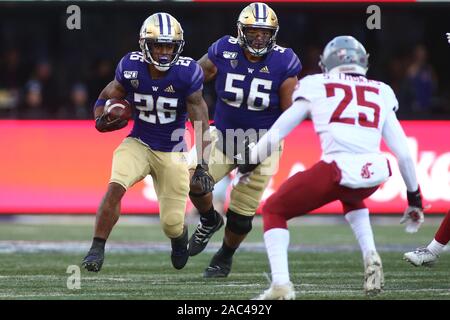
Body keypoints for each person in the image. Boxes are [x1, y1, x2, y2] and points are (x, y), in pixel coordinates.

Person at [238, 35, 424, 299]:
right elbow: (403, 154)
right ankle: (371, 254)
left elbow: (278, 131)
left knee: (273, 210)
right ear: (363, 62)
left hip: (338, 170)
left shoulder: (315, 84)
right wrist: (414, 197)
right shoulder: (381, 90)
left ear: (326, 63)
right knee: (350, 195)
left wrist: (247, 164)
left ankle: (281, 286)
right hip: (374, 175)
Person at [81, 13, 213, 272]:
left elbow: (201, 122)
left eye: (169, 46)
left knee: (171, 223)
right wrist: (100, 119)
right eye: (158, 46)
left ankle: (178, 237)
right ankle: (97, 246)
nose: (164, 52)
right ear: (145, 46)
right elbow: (107, 95)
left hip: (173, 151)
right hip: (138, 143)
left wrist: (203, 165)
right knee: (115, 187)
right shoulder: (131, 66)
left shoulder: (187, 73)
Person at [188, 2, 302, 278]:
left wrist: (261, 152)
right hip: (225, 135)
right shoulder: (224, 50)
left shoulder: (284, 61)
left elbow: (291, 115)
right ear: (241, 31)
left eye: (264, 32)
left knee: (241, 212)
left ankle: (224, 256)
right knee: (193, 180)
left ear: (273, 33)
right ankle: (210, 219)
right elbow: (191, 78)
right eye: (253, 31)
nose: (259, 37)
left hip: (264, 141)